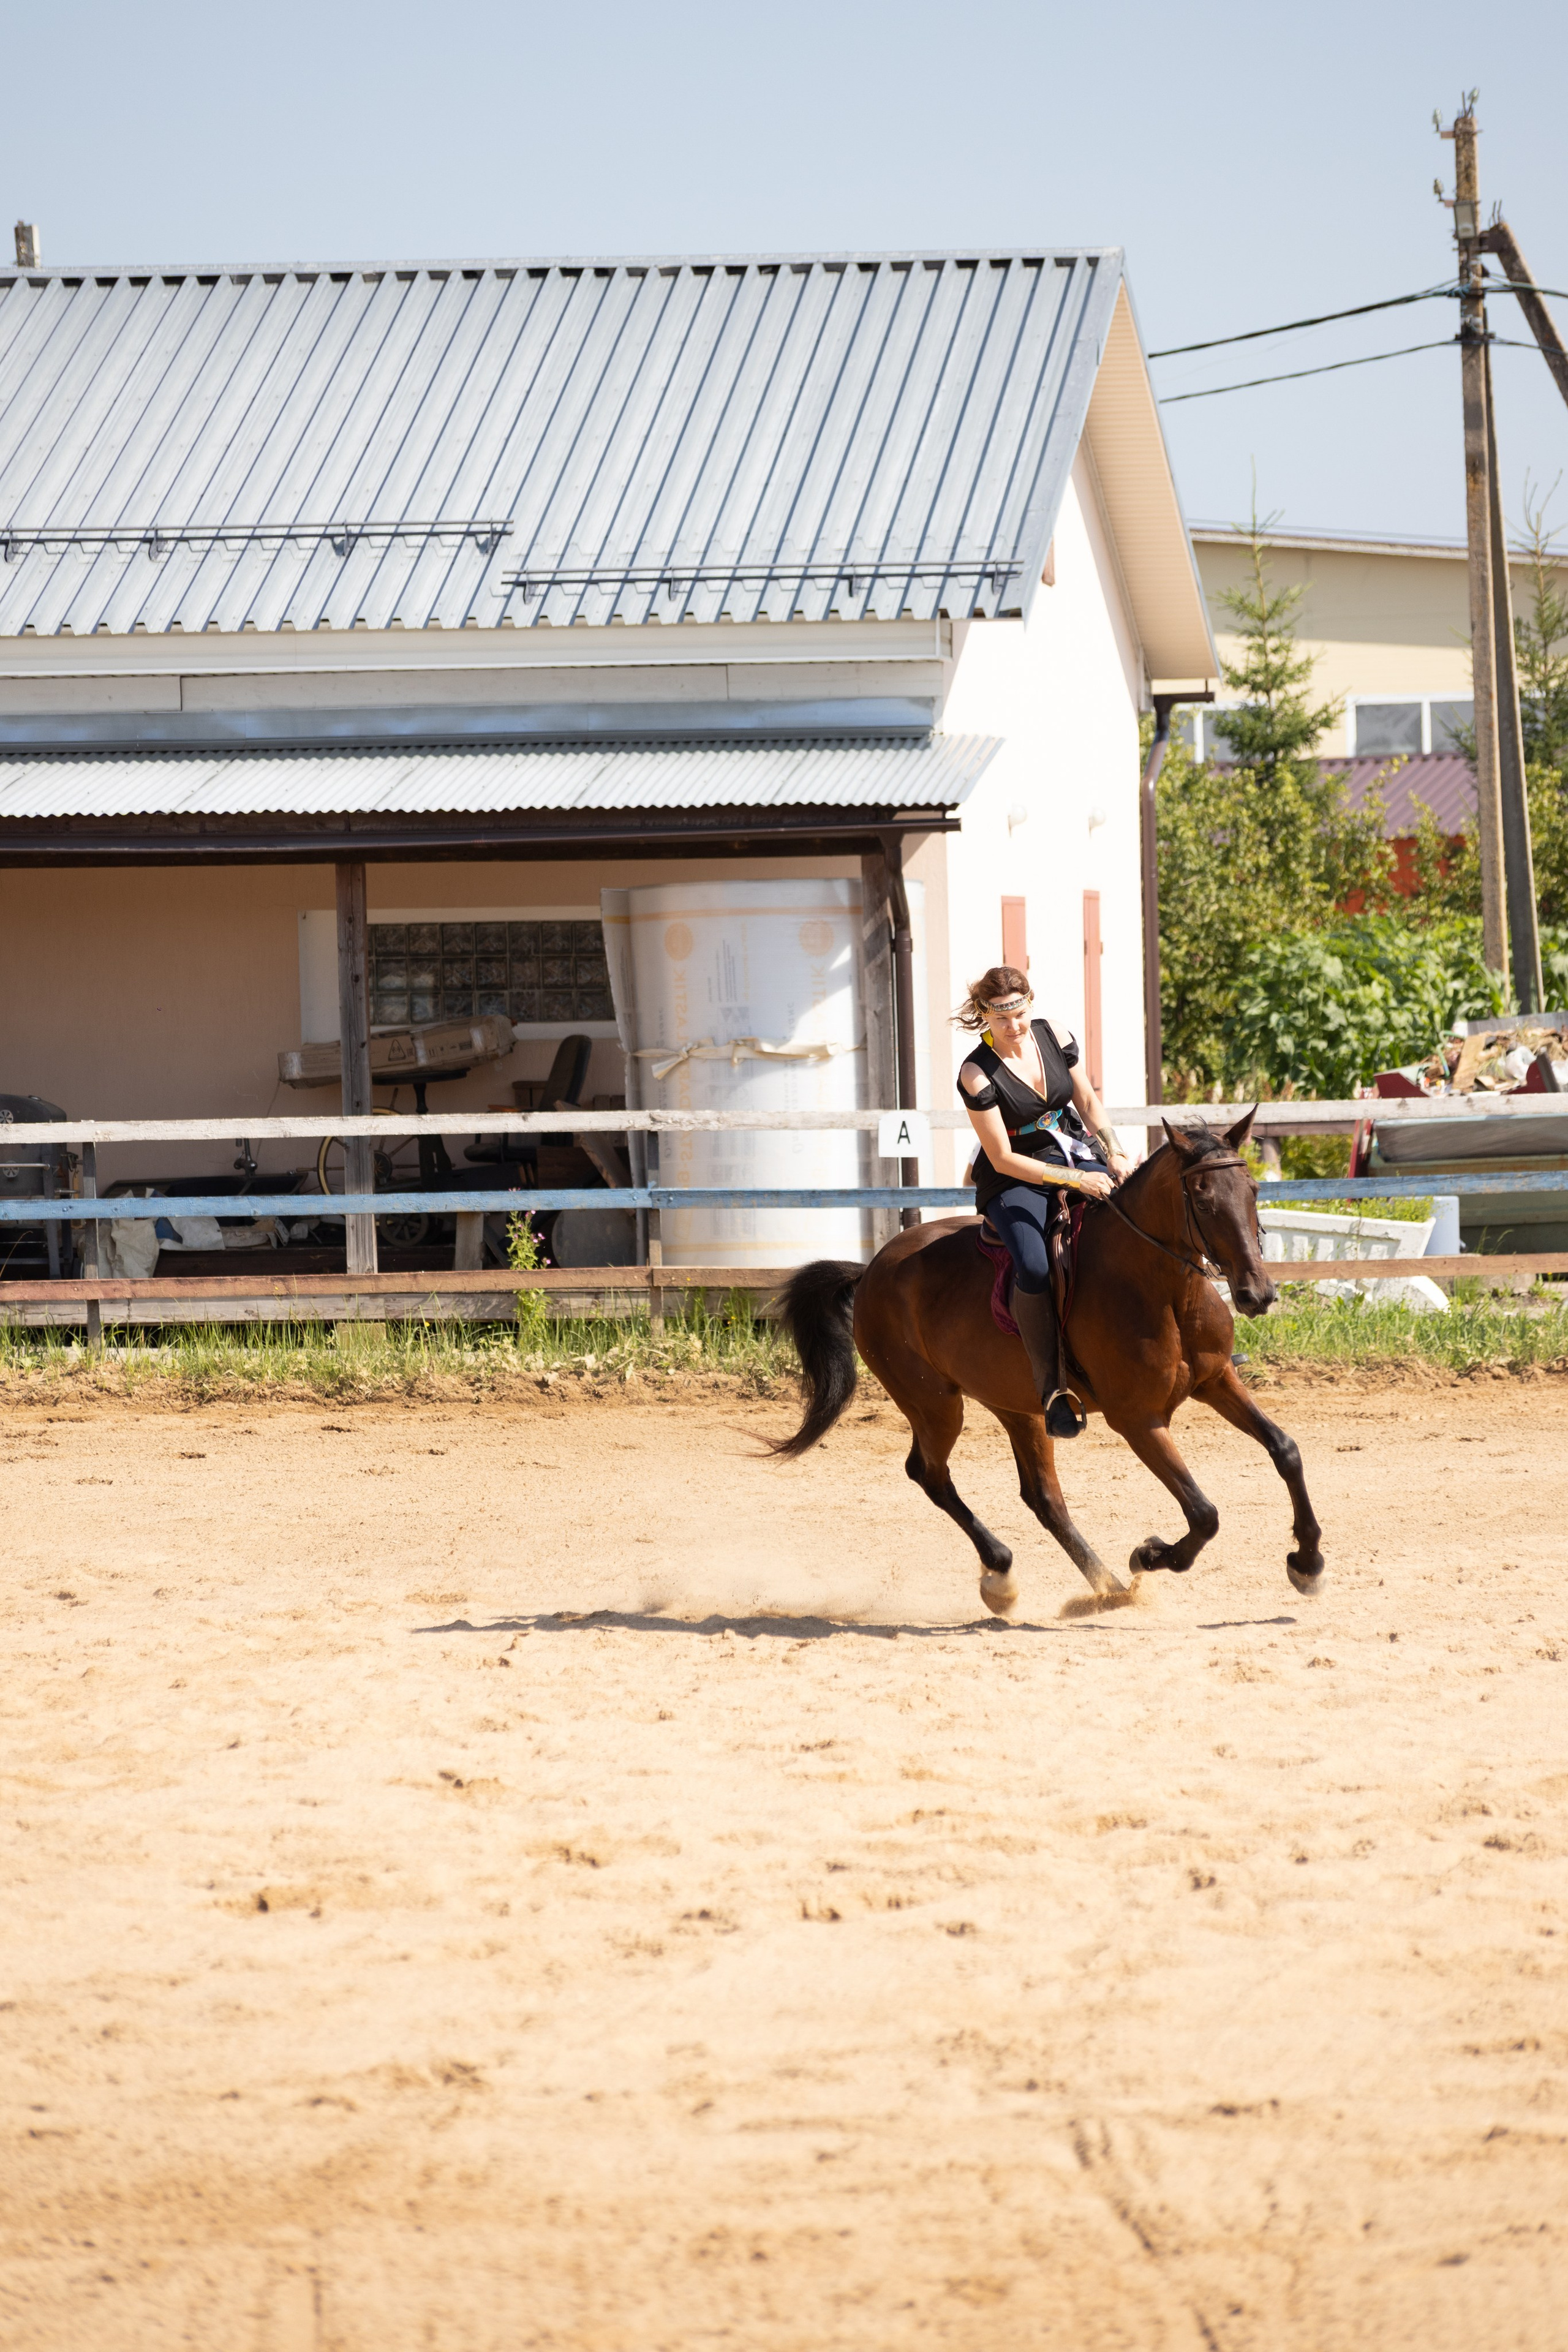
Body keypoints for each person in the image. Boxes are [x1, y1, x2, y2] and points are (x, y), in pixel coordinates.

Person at [955, 964, 1132, 1439]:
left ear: (1030, 1004)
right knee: (1033, 1266)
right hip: (1014, 1177)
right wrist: (1075, 1180)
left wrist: (1114, 1150)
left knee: (1134, 1219)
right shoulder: (975, 1073)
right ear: (984, 1015)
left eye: (1018, 1014)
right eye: (1000, 1018)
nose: (1013, 1027)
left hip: (1073, 1149)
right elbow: (1002, 1156)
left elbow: (1089, 1104)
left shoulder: (1054, 1034)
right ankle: (1052, 1388)